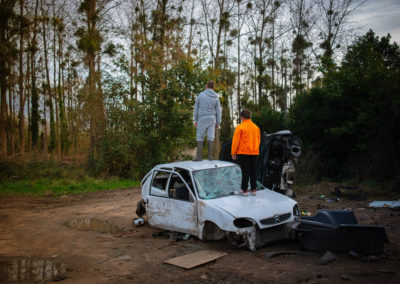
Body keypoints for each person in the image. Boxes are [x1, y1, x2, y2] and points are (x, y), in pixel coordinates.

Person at [231, 109, 261, 196]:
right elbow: (258, 141)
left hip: (243, 152)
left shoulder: (240, 127)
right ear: (250, 117)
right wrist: (255, 149)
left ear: (242, 117)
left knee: (245, 171)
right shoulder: (256, 128)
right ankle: (254, 190)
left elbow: (235, 141)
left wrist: (233, 152)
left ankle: (244, 190)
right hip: (254, 152)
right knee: (253, 171)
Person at [193, 80, 221, 161]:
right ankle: (210, 156)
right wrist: (218, 122)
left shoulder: (201, 95)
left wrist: (196, 120)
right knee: (211, 137)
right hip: (212, 119)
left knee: (200, 136)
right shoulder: (216, 96)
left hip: (202, 118)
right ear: (213, 87)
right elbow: (219, 111)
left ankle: (199, 156)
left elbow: (196, 108)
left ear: (206, 86)